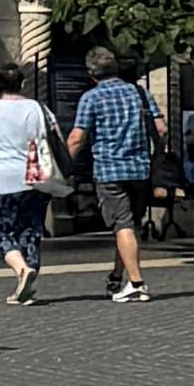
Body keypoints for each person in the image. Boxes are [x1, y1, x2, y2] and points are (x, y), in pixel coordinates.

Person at [0, 62, 68, 306]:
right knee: (31, 230)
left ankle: (21, 269)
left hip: (1, 180)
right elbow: (58, 139)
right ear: (23, 84)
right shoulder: (38, 108)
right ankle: (28, 282)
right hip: (35, 179)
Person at [72, 47, 161, 306]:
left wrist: (64, 165)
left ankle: (136, 284)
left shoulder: (91, 97)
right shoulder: (139, 93)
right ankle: (117, 275)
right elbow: (160, 128)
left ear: (92, 74)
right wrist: (156, 156)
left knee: (122, 225)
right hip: (139, 168)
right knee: (129, 227)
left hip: (109, 169)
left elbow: (78, 137)